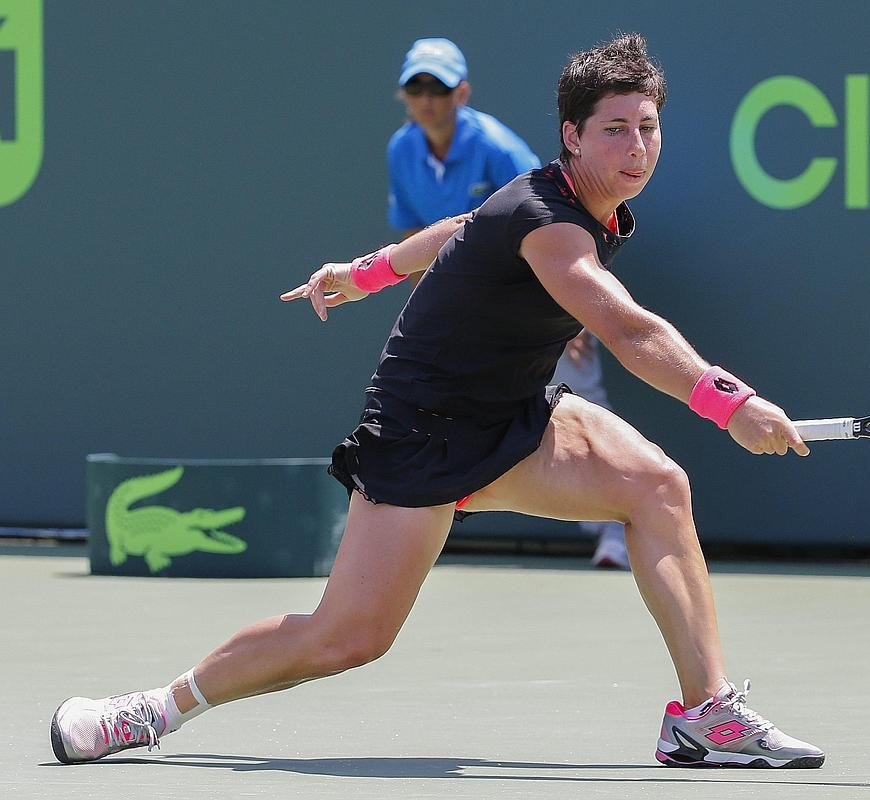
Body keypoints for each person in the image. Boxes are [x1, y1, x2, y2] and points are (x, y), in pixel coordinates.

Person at [49, 33, 825, 770]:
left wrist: (365, 272)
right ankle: (148, 710)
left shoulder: (569, 203)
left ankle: (705, 716)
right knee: (346, 637)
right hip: (423, 431)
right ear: (572, 136)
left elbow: (460, 226)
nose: (637, 147)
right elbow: (625, 327)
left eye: (648, 127)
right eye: (615, 129)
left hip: (512, 415)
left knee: (658, 487)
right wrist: (730, 402)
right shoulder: (550, 224)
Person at [388, 37, 630, 569]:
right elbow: (414, 232)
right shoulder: (401, 151)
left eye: (439, 86)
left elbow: (565, 215)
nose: (427, 97)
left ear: (462, 93)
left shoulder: (496, 147)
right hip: (466, 315)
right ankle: (420, 523)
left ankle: (616, 533)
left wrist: (575, 309)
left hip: (539, 298)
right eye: (416, 86)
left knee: (582, 392)